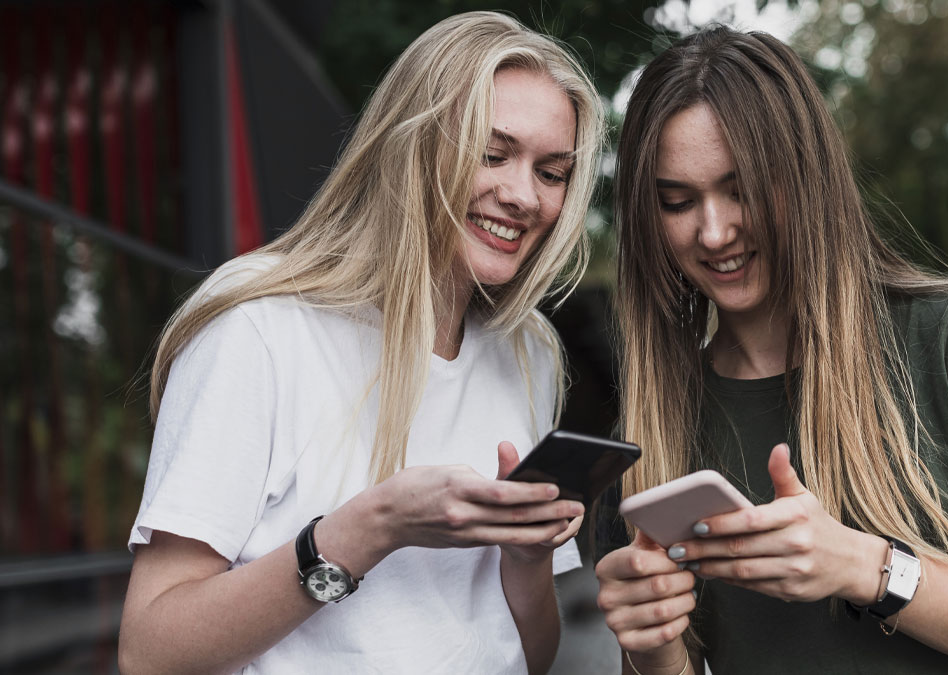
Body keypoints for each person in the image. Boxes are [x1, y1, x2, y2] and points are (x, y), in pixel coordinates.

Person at [594, 26, 948, 675]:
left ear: (804, 175)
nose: (713, 231)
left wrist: (864, 566)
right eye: (677, 201)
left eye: (740, 186)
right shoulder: (646, 432)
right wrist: (653, 646)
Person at [118, 12, 604, 674]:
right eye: (491, 154)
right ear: (411, 142)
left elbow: (530, 654)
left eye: (552, 172)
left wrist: (527, 559)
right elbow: (151, 650)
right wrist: (371, 527)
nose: (523, 195)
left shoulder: (530, 350)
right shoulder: (261, 326)